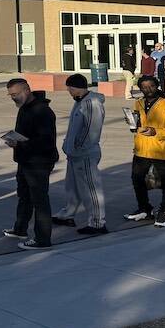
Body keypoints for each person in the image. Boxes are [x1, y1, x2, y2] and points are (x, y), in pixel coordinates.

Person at [2, 79, 59, 250]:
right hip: (25, 160)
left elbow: (45, 141)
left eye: (16, 94)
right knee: (24, 195)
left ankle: (42, 238)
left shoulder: (43, 111)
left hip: (39, 162)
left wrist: (20, 144)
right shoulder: (24, 109)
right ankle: (20, 228)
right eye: (11, 95)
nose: (13, 98)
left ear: (27, 90)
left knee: (40, 200)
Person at [124, 76, 165, 228]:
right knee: (137, 179)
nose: (148, 89)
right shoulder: (138, 103)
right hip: (142, 149)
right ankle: (144, 208)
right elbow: (139, 124)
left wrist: (157, 132)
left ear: (157, 86)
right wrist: (133, 123)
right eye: (144, 87)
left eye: (151, 86)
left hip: (162, 149)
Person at [52, 74, 107, 235]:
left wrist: (78, 148)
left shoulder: (91, 103)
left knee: (91, 188)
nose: (68, 90)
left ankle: (97, 222)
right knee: (72, 187)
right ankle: (67, 213)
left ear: (75, 87)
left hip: (85, 153)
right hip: (74, 153)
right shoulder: (80, 102)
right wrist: (68, 145)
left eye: (69, 87)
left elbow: (91, 129)